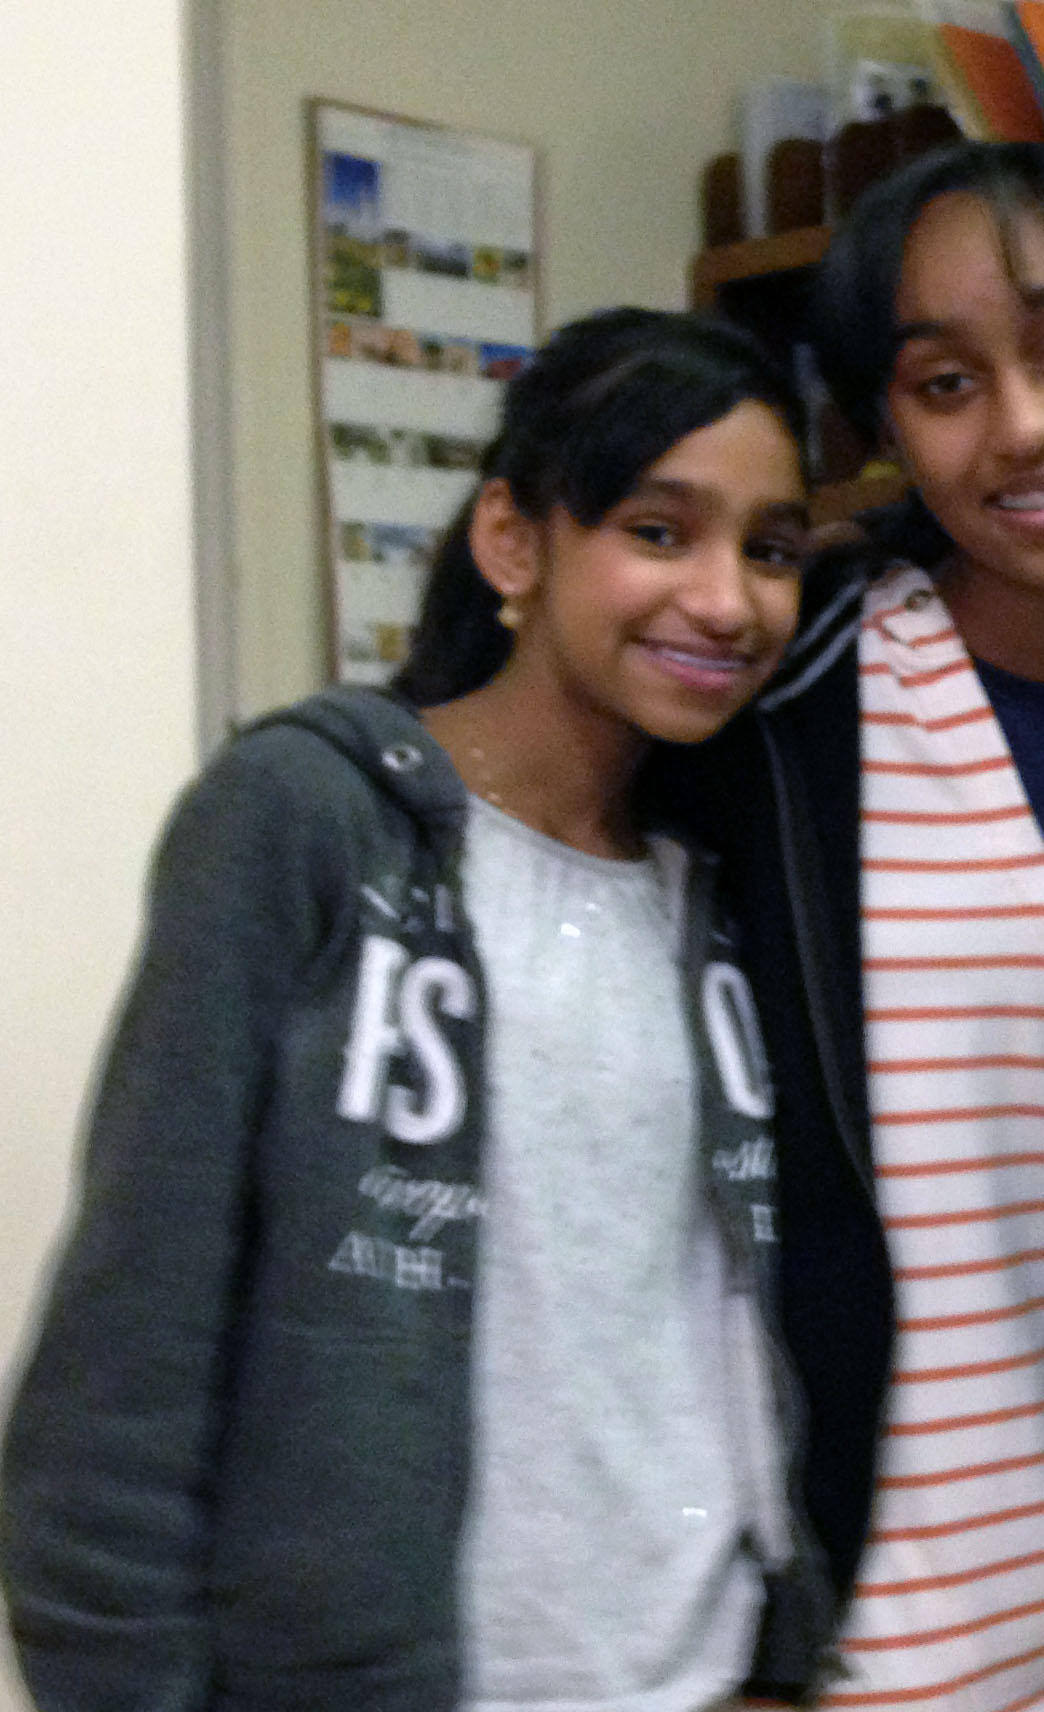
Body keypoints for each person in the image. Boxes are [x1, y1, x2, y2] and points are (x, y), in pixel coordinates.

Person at [0, 308, 834, 1711]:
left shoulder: (722, 888)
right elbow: (123, 1366)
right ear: (513, 541)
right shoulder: (306, 819)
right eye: (656, 530)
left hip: (701, 1675)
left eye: (768, 549)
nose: (723, 600)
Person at [712, 144, 1044, 1710]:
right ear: (883, 428)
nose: (1023, 427)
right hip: (867, 1653)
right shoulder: (783, 713)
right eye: (945, 384)